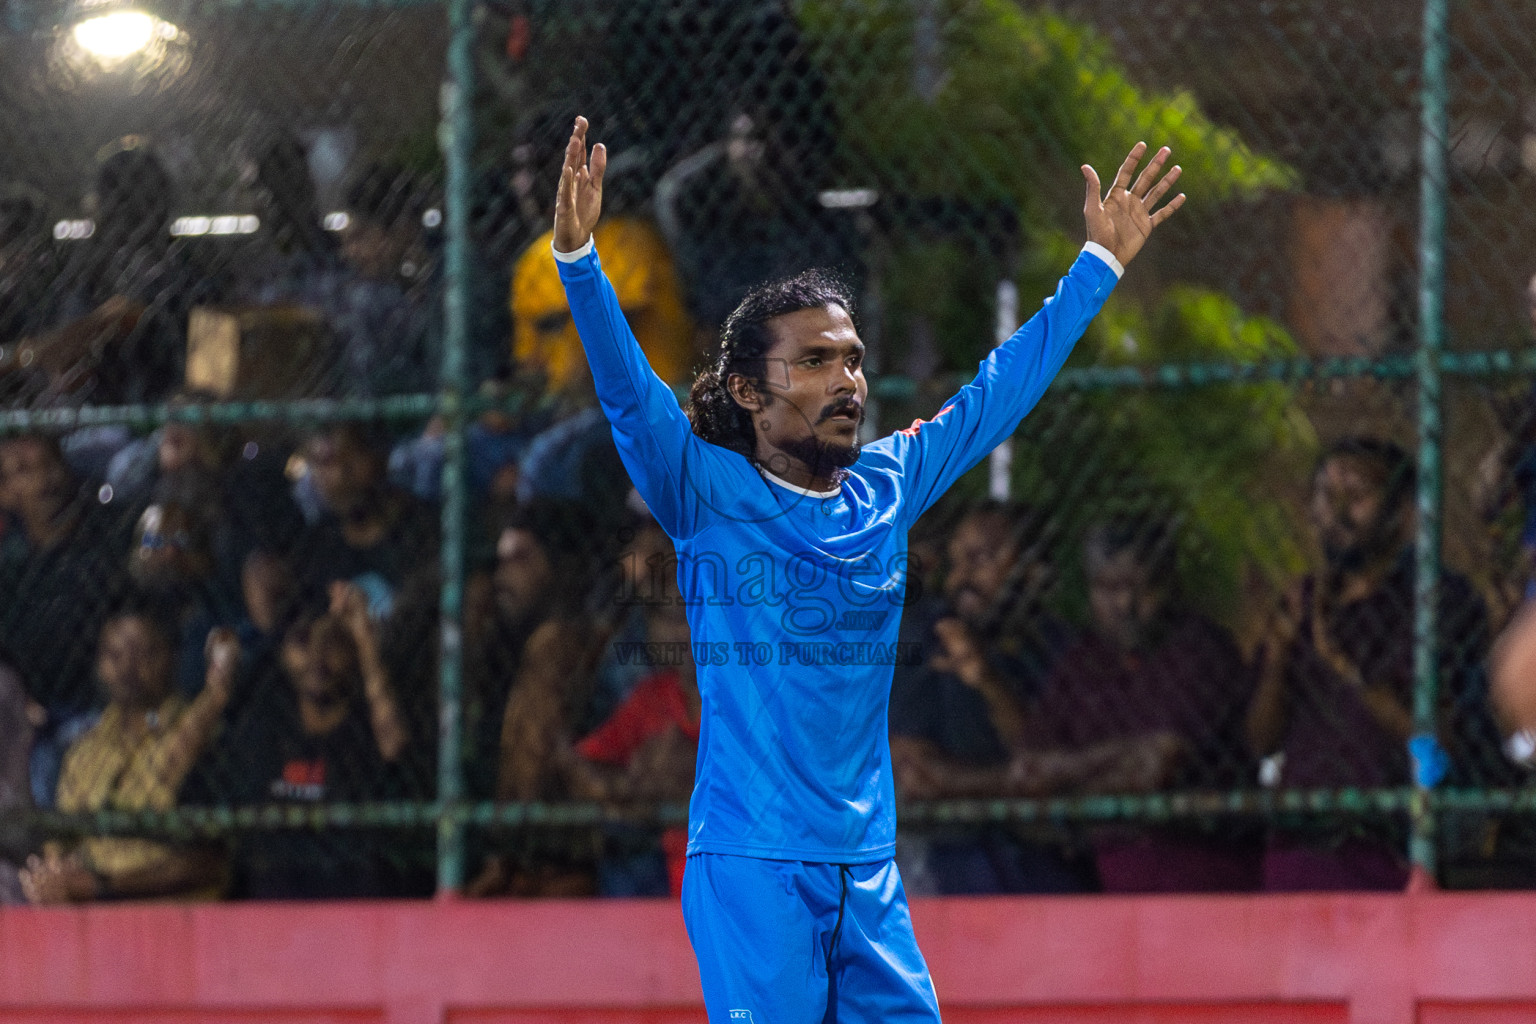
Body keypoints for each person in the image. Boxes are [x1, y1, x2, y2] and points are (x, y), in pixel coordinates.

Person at [552, 116, 1183, 1020]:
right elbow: (626, 393)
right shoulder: (702, 489)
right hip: (754, 869)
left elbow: (993, 396)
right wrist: (579, 259)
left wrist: (1099, 267)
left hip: (868, 872)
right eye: (813, 362)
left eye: (851, 360)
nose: (846, 381)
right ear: (747, 392)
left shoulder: (888, 483)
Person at [1246, 437, 1497, 891]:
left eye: (1357, 496)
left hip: (1392, 845)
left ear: (1403, 516)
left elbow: (1443, 748)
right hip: (1298, 843)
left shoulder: (1440, 600)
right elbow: (1260, 742)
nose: (1336, 513)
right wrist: (1279, 656)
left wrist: (1345, 669)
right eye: (1325, 495)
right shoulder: (1302, 599)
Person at [1030, 517, 1261, 892]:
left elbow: (1159, 766)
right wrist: (1114, 765)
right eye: (1109, 588)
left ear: (1170, 585)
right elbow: (1031, 764)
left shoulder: (1201, 648)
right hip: (1105, 881)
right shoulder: (1082, 661)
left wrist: (1064, 787)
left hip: (1205, 873)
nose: (1126, 604)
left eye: (1143, 587)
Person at [888, 501, 1089, 894]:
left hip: (1045, 859)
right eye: (956, 561)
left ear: (1031, 569)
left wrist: (987, 682)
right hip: (949, 854)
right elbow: (914, 774)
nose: (960, 578)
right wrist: (1023, 783)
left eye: (980, 559)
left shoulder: (1060, 645)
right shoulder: (929, 636)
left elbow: (1052, 755)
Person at [187, 582, 410, 899]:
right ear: (282, 652)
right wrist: (217, 693)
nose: (318, 658)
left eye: (334, 643)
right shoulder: (263, 728)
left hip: (351, 900)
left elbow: (395, 747)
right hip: (269, 902)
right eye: (303, 641)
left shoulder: (367, 727)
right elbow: (173, 775)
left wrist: (365, 642)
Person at [19, 607, 235, 904]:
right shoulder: (84, 751)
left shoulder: (202, 736)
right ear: (98, 664)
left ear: (173, 658)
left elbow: (210, 864)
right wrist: (54, 880)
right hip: (98, 920)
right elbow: (63, 849)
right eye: (114, 655)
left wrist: (102, 886)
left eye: (145, 653)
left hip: (178, 923)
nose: (128, 667)